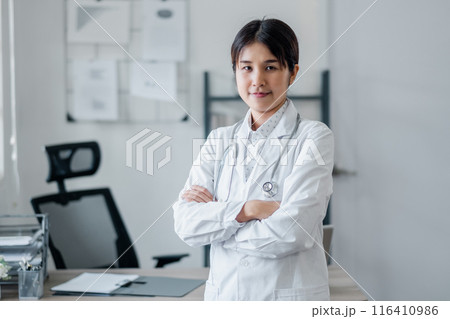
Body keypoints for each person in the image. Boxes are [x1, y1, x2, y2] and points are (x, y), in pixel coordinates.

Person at [173, 18, 334, 301]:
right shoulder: (218, 140)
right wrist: (247, 210)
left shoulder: (314, 137)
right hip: (226, 298)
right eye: (246, 67)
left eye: (270, 67)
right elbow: (187, 225)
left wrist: (221, 225)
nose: (257, 80)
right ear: (235, 71)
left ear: (292, 72)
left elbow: (291, 232)